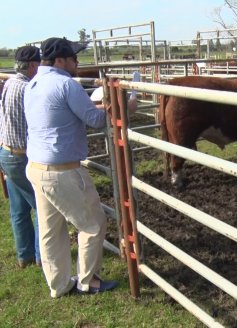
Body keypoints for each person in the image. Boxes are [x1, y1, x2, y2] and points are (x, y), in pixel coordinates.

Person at [24, 37, 123, 298]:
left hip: (36, 167)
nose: (77, 62)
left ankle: (58, 285)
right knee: (92, 224)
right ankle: (88, 281)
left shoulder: (33, 84)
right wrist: (122, 107)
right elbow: (97, 120)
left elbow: (62, 113)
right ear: (60, 60)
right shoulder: (66, 84)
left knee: (50, 230)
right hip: (63, 172)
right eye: (73, 58)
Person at [0, 46, 41, 269]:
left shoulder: (9, 83)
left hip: (6, 152)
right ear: (33, 65)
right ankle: (41, 257)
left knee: (18, 209)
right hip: (21, 156)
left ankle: (24, 256)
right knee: (43, 208)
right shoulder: (28, 88)